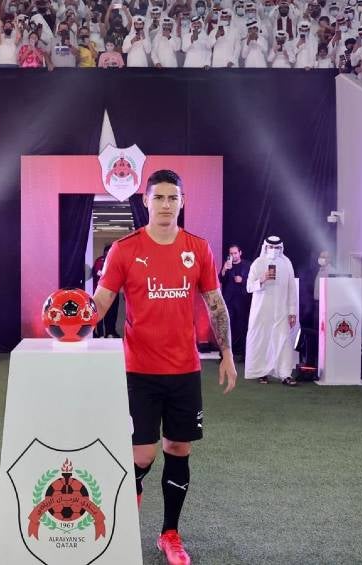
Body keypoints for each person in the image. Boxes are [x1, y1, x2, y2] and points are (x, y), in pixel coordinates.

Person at [94, 169, 237, 565]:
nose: (166, 205)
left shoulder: (199, 249)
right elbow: (102, 301)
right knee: (141, 454)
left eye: (173, 198)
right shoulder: (124, 250)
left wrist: (226, 353)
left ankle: (169, 534)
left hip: (184, 370)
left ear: (182, 202)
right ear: (146, 201)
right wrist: (73, 326)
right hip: (138, 370)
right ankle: (121, 532)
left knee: (178, 447)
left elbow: (215, 304)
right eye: (158, 197)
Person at [244, 236, 299, 385]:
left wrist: (292, 312)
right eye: (271, 247)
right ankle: (262, 373)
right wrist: (261, 279)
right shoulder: (258, 263)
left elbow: (291, 289)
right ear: (265, 247)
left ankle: (285, 374)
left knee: (284, 341)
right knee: (262, 340)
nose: (273, 250)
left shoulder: (286, 263)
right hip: (261, 311)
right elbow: (249, 287)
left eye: (276, 248)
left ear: (280, 248)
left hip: (281, 311)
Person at [218, 243, 251, 360]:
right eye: (231, 253)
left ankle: (244, 354)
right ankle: (225, 355)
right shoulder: (227, 264)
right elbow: (220, 279)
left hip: (242, 301)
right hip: (228, 301)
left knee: (243, 327)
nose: (233, 255)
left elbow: (253, 282)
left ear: (240, 253)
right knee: (226, 327)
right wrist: (224, 269)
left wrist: (243, 280)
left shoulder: (247, 265)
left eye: (235, 253)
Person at [92, 243, 120, 338]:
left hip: (114, 292)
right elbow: (98, 273)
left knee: (112, 314)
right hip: (100, 292)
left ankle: (110, 332)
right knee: (99, 313)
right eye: (107, 253)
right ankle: (100, 333)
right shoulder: (99, 261)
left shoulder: (117, 261)